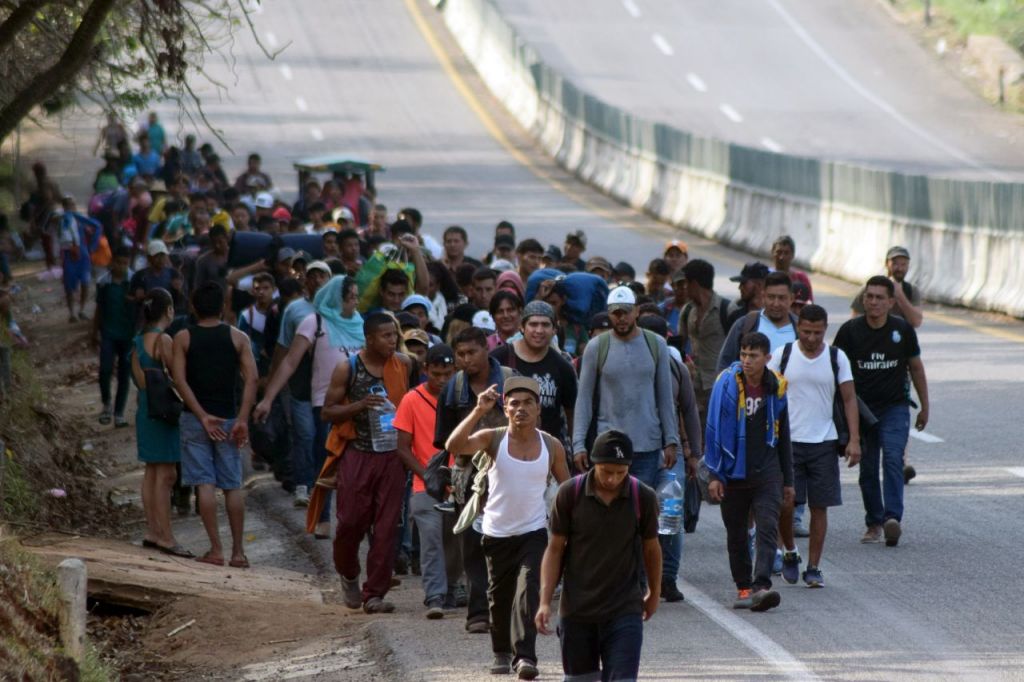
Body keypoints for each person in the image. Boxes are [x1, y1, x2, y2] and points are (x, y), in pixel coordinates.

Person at [446, 376, 570, 679]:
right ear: (505, 408)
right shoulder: (493, 438)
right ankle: (501, 652)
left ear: (538, 409)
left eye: (528, 403)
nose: (521, 409)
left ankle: (525, 657)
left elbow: (568, 489)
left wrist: (574, 529)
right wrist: (478, 410)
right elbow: (454, 446)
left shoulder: (551, 446)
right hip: (496, 532)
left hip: (534, 532)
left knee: (528, 591)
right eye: (514, 403)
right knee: (499, 598)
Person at [572, 286, 680, 599]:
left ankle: (639, 583)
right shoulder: (597, 347)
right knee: (609, 516)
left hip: (646, 445)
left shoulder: (656, 345)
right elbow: (584, 399)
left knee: (640, 517)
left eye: (626, 312)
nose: (621, 318)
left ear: (637, 312)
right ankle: (613, 580)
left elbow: (665, 397)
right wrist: (579, 444)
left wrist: (671, 440)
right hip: (608, 447)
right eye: (615, 313)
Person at [536, 430, 661, 682]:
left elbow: (652, 549)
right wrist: (545, 601)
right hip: (577, 611)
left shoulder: (643, 497)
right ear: (593, 463)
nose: (613, 479)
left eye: (620, 472)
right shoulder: (570, 494)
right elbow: (555, 548)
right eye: (606, 471)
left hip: (624, 609)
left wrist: (654, 593)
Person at [254, 275, 365, 537]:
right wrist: (268, 398)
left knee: (357, 465)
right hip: (325, 404)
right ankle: (323, 518)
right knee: (326, 463)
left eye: (356, 297)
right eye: (351, 297)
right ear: (336, 299)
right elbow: (290, 362)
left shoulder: (360, 324)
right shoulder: (314, 322)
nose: (355, 302)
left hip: (358, 404)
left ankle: (353, 520)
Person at [321, 313, 416, 613]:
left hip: (392, 457)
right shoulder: (348, 368)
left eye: (394, 335)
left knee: (387, 527)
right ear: (370, 338)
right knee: (350, 522)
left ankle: (374, 593)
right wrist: (360, 405)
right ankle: (349, 573)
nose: (392, 340)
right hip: (358, 453)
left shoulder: (404, 364)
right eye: (386, 336)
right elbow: (327, 412)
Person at [767, 304, 860, 587]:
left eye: (817, 333)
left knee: (820, 507)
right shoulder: (783, 355)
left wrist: (854, 440)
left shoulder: (836, 357)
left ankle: (814, 567)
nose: (811, 338)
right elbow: (767, 393)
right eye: (806, 332)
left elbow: (849, 399)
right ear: (798, 328)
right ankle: (789, 551)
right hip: (788, 443)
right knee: (786, 503)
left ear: (825, 330)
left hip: (824, 442)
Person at [833, 276, 929, 547]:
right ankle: (874, 522)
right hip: (862, 411)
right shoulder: (850, 332)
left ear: (891, 302)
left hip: (895, 407)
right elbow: (834, 370)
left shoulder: (902, 330)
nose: (873, 302)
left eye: (879, 297)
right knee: (868, 468)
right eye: (869, 296)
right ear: (863, 300)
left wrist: (925, 407)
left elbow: (916, 367)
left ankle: (892, 519)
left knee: (893, 458)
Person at [171, 282, 258, 568]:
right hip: (229, 418)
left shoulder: (183, 338)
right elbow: (252, 379)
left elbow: (179, 380)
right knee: (232, 485)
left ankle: (216, 549)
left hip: (195, 420)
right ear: (223, 307)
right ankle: (238, 552)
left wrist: (201, 415)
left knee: (204, 483)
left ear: (193, 307)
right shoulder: (238, 337)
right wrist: (242, 418)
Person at [704, 331, 793, 612]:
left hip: (767, 471)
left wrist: (788, 481)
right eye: (743, 354)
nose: (746, 360)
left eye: (753, 356)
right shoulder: (726, 385)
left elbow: (783, 436)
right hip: (732, 473)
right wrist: (715, 475)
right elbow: (713, 431)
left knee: (767, 526)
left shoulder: (776, 388)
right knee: (737, 534)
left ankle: (761, 586)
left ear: (767, 358)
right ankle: (743, 587)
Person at [434, 326, 515, 633]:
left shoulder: (510, 380)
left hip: (510, 474)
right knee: (472, 544)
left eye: (472, 352)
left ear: (486, 349)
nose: (466, 359)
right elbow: (444, 440)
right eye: (461, 354)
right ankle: (478, 613)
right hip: (468, 477)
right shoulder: (453, 388)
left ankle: (506, 609)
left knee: (508, 542)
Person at [131, 288, 192, 558]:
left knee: (152, 472)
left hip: (146, 411)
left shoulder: (136, 342)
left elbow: (139, 382)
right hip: (164, 414)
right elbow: (178, 378)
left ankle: (153, 531)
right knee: (167, 475)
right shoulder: (164, 340)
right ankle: (166, 537)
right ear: (169, 310)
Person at [490, 301, 577, 447]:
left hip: (547, 450)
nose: (539, 330)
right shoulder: (499, 358)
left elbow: (571, 414)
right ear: (522, 327)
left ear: (554, 330)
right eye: (533, 324)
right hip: (504, 447)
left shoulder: (563, 367)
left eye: (545, 325)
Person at [676, 259, 730, 427]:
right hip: (693, 387)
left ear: (695, 284)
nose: (684, 288)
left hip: (719, 386)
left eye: (686, 283)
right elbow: (678, 345)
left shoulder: (727, 309)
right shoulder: (687, 311)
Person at [718, 271, 798, 370]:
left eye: (782, 298)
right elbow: (724, 363)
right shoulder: (745, 325)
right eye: (771, 297)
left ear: (792, 298)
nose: (776, 303)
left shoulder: (800, 330)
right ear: (763, 296)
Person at [92, 247, 135, 427]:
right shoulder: (103, 283)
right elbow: (99, 308)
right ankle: (107, 403)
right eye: (119, 262)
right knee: (105, 370)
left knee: (124, 374)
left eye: (125, 263)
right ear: (112, 262)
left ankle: (119, 413)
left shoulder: (134, 281)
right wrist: (94, 331)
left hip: (128, 334)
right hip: (108, 333)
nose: (122, 266)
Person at [851, 245, 923, 329]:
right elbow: (855, 321)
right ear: (886, 264)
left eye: (903, 264)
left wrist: (900, 295)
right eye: (895, 264)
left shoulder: (912, 290)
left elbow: (916, 322)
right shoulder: (871, 288)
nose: (899, 268)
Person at [725, 262, 770, 329]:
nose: (740, 287)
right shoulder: (735, 315)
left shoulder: (773, 314)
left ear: (759, 285)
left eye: (743, 283)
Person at [771, 235, 813, 302]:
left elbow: (809, 303)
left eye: (786, 253)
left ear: (792, 255)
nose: (782, 257)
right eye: (779, 252)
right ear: (772, 253)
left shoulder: (801, 278)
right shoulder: (765, 276)